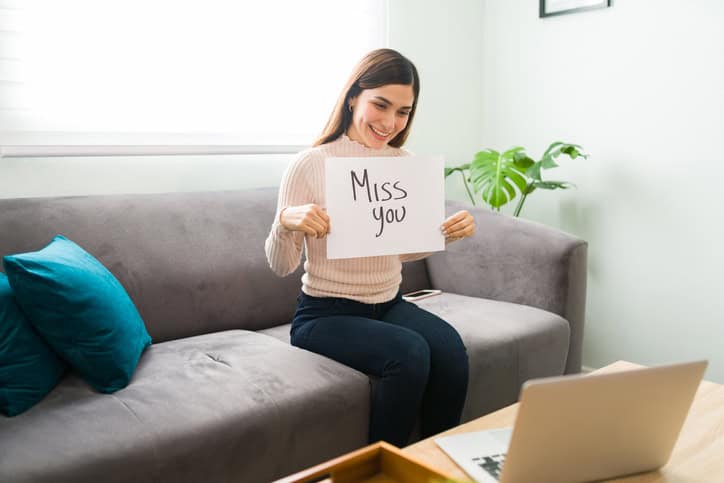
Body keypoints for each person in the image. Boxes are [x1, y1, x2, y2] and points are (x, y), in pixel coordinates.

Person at [264, 48, 475, 447]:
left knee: (450, 351)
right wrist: (286, 222)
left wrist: (443, 233)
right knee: (409, 353)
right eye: (381, 104)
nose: (391, 122)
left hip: (389, 303)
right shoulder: (311, 164)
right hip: (324, 314)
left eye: (403, 112)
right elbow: (280, 265)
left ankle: (437, 463)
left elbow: (402, 250)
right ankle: (380, 470)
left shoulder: (405, 163)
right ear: (352, 97)